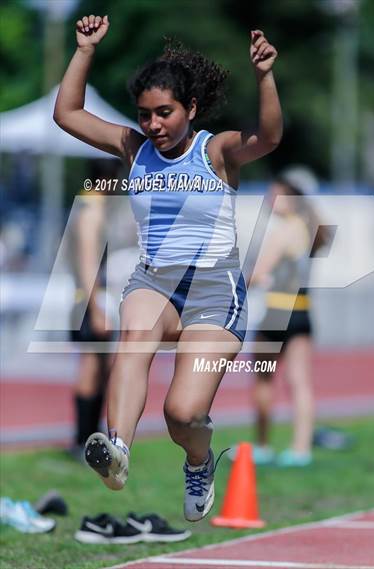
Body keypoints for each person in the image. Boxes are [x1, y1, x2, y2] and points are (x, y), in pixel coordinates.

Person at [54, 13, 282, 522]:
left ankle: (199, 460)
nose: (152, 125)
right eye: (144, 114)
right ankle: (118, 452)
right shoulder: (133, 149)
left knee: (182, 414)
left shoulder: (216, 151)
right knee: (131, 339)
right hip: (154, 279)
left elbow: (267, 137)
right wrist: (85, 51)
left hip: (212, 291)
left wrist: (265, 76)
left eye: (164, 113)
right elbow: (67, 113)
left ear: (191, 108)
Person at [247, 167, 329, 467]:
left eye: (276, 193)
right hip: (303, 311)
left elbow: (257, 274)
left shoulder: (283, 231)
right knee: (300, 382)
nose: (271, 198)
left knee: (264, 380)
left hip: (277, 312)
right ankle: (301, 448)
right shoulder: (311, 229)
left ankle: (263, 445)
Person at [68, 159, 120, 462]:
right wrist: (96, 307)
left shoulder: (91, 206)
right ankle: (81, 440)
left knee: (101, 369)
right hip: (90, 300)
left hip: (94, 299)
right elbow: (88, 262)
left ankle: (90, 437)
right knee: (91, 368)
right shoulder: (91, 209)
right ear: (108, 178)